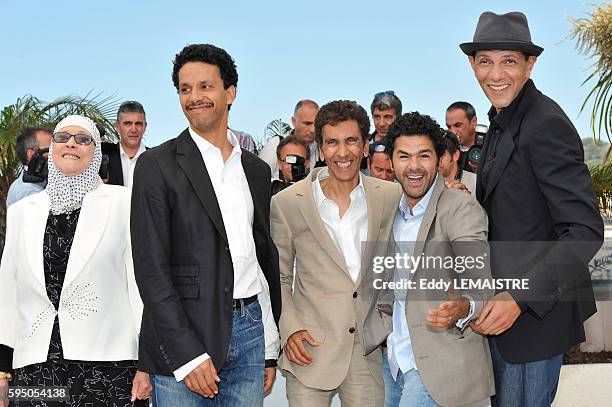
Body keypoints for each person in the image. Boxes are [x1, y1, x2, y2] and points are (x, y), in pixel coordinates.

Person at [460, 11, 604, 406]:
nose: (495, 73)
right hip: (505, 318)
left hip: (536, 317)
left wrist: (519, 298)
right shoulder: (501, 124)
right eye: (485, 61)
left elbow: (583, 230)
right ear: (472, 65)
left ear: (530, 64)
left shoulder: (544, 124)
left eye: (509, 60)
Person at [131, 44, 281, 406]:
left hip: (249, 334)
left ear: (230, 92)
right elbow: (151, 270)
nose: (194, 97)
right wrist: (187, 355)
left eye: (205, 87)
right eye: (185, 89)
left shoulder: (257, 171)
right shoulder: (157, 165)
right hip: (183, 339)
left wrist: (269, 345)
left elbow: (258, 257)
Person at [0, 115, 151, 407]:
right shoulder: (21, 211)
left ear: (95, 152)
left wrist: (147, 363)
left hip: (110, 367)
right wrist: (3, 369)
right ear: (51, 148)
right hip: (34, 366)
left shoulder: (124, 202)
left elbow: (140, 285)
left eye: (83, 139)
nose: (72, 143)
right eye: (62, 137)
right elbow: (8, 290)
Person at [271, 100, 402, 406]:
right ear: (320, 148)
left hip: (367, 351)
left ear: (366, 146)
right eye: (332, 143)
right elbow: (278, 274)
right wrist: (290, 329)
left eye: (351, 141)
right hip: (309, 349)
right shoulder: (290, 202)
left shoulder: (389, 196)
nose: (342, 153)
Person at [363, 112, 494, 407]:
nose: (414, 166)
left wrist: (463, 306)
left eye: (424, 155)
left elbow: (481, 284)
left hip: (439, 367)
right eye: (404, 156)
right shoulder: (385, 208)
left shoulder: (460, 208)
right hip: (393, 362)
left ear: (438, 160)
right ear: (392, 161)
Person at [259, 99, 320, 178]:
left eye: (316, 124)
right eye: (307, 123)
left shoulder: (323, 149)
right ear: (294, 121)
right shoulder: (276, 144)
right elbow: (258, 177)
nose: (312, 129)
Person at [102, 100, 147, 187]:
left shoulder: (158, 159)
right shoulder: (101, 157)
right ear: (117, 127)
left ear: (145, 127)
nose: (133, 130)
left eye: (138, 124)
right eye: (128, 124)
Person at [6, 127, 52, 207]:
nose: (58, 153)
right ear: (31, 155)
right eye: (51, 150)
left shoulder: (38, 180)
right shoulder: (29, 191)